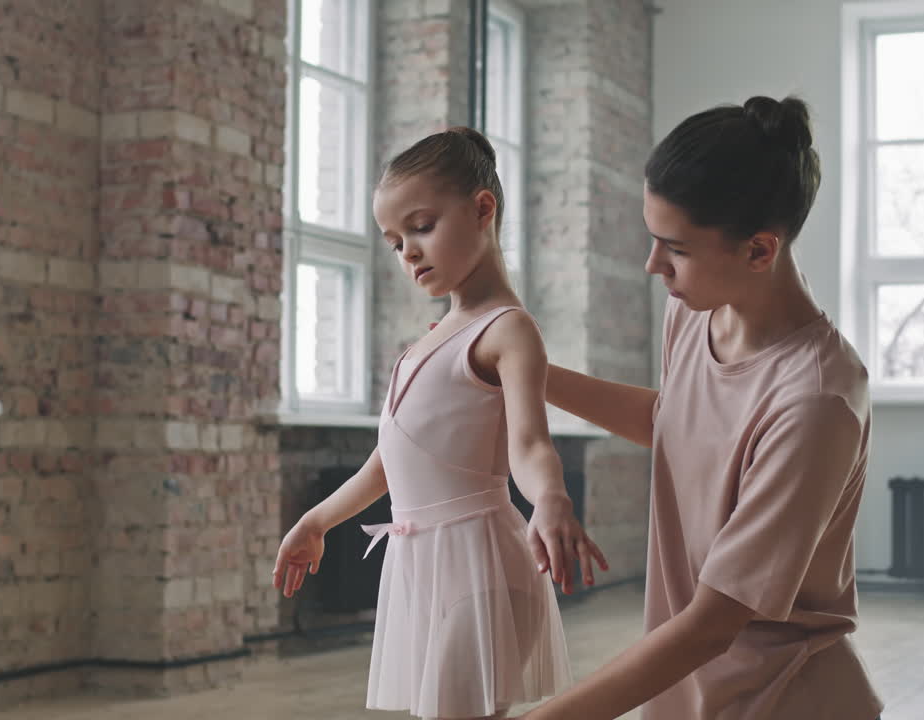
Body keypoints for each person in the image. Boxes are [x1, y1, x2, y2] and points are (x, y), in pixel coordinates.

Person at [520, 96, 883, 720]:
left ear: (760, 250)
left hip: (781, 703)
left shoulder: (817, 400)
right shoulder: (695, 312)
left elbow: (714, 623)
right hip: (692, 695)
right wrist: (526, 374)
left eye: (676, 248)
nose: (652, 265)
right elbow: (677, 424)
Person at [273, 126, 609, 720]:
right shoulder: (425, 343)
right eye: (394, 239)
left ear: (483, 209)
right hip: (423, 572)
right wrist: (317, 519)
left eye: (421, 227)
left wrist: (552, 498)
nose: (407, 251)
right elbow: (390, 463)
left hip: (486, 571)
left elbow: (529, 444)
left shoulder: (507, 329)